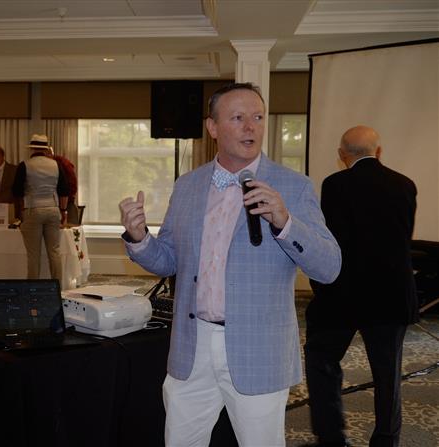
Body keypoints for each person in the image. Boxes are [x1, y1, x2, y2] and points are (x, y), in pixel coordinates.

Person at [119, 82, 341, 447]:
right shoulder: (188, 186)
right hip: (192, 347)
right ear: (212, 127)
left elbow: (329, 267)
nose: (251, 127)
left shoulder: (293, 186)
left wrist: (285, 222)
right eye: (238, 118)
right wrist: (139, 236)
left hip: (258, 350)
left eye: (258, 117)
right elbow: (168, 260)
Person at [302, 126, 418, 447]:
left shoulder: (334, 185)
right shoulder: (405, 185)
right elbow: (401, 240)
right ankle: (386, 440)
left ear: (342, 155)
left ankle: (332, 437)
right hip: (391, 296)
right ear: (378, 152)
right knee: (388, 374)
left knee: (321, 358)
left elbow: (331, 240)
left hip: (342, 295)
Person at [12, 134, 69, 282]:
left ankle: (33, 288)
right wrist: (63, 211)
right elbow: (64, 190)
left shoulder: (25, 165)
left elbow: (16, 191)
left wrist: (20, 213)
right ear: (45, 149)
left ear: (32, 149)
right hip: (53, 209)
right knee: (54, 251)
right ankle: (57, 286)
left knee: (33, 254)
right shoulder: (56, 165)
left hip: (32, 209)